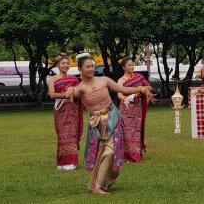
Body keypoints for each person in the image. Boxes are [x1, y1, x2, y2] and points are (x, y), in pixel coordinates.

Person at [64, 49, 151, 195]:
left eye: (92, 66)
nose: (91, 69)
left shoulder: (104, 80)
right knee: (105, 153)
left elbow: (123, 89)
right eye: (87, 67)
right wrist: (69, 91)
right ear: (80, 69)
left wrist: (141, 88)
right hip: (98, 123)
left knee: (113, 151)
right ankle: (98, 186)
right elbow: (73, 91)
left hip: (114, 118)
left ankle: (104, 183)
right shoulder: (80, 88)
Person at [47, 53, 83, 171]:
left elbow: (80, 92)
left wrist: (73, 91)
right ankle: (62, 163)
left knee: (72, 135)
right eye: (63, 63)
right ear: (58, 65)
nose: (66, 65)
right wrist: (65, 94)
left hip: (73, 111)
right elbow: (52, 95)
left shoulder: (74, 79)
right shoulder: (53, 80)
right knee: (62, 136)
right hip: (61, 111)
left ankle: (71, 162)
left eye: (67, 63)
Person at [117, 55, 156, 163]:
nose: (132, 66)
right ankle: (125, 156)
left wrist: (146, 90)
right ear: (124, 67)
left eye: (133, 64)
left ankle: (135, 155)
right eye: (129, 65)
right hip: (126, 108)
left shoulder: (139, 76)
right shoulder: (120, 80)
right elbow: (119, 94)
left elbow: (149, 86)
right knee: (126, 131)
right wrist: (125, 98)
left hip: (137, 108)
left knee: (136, 131)